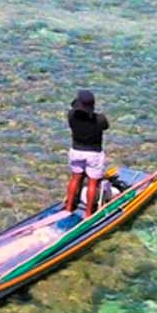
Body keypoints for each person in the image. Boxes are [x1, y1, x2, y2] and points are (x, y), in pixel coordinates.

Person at [64, 89, 110, 218]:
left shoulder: (71, 115)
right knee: (92, 183)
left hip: (76, 151)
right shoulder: (99, 119)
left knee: (75, 178)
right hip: (93, 153)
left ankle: (68, 208)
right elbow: (106, 126)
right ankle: (88, 213)